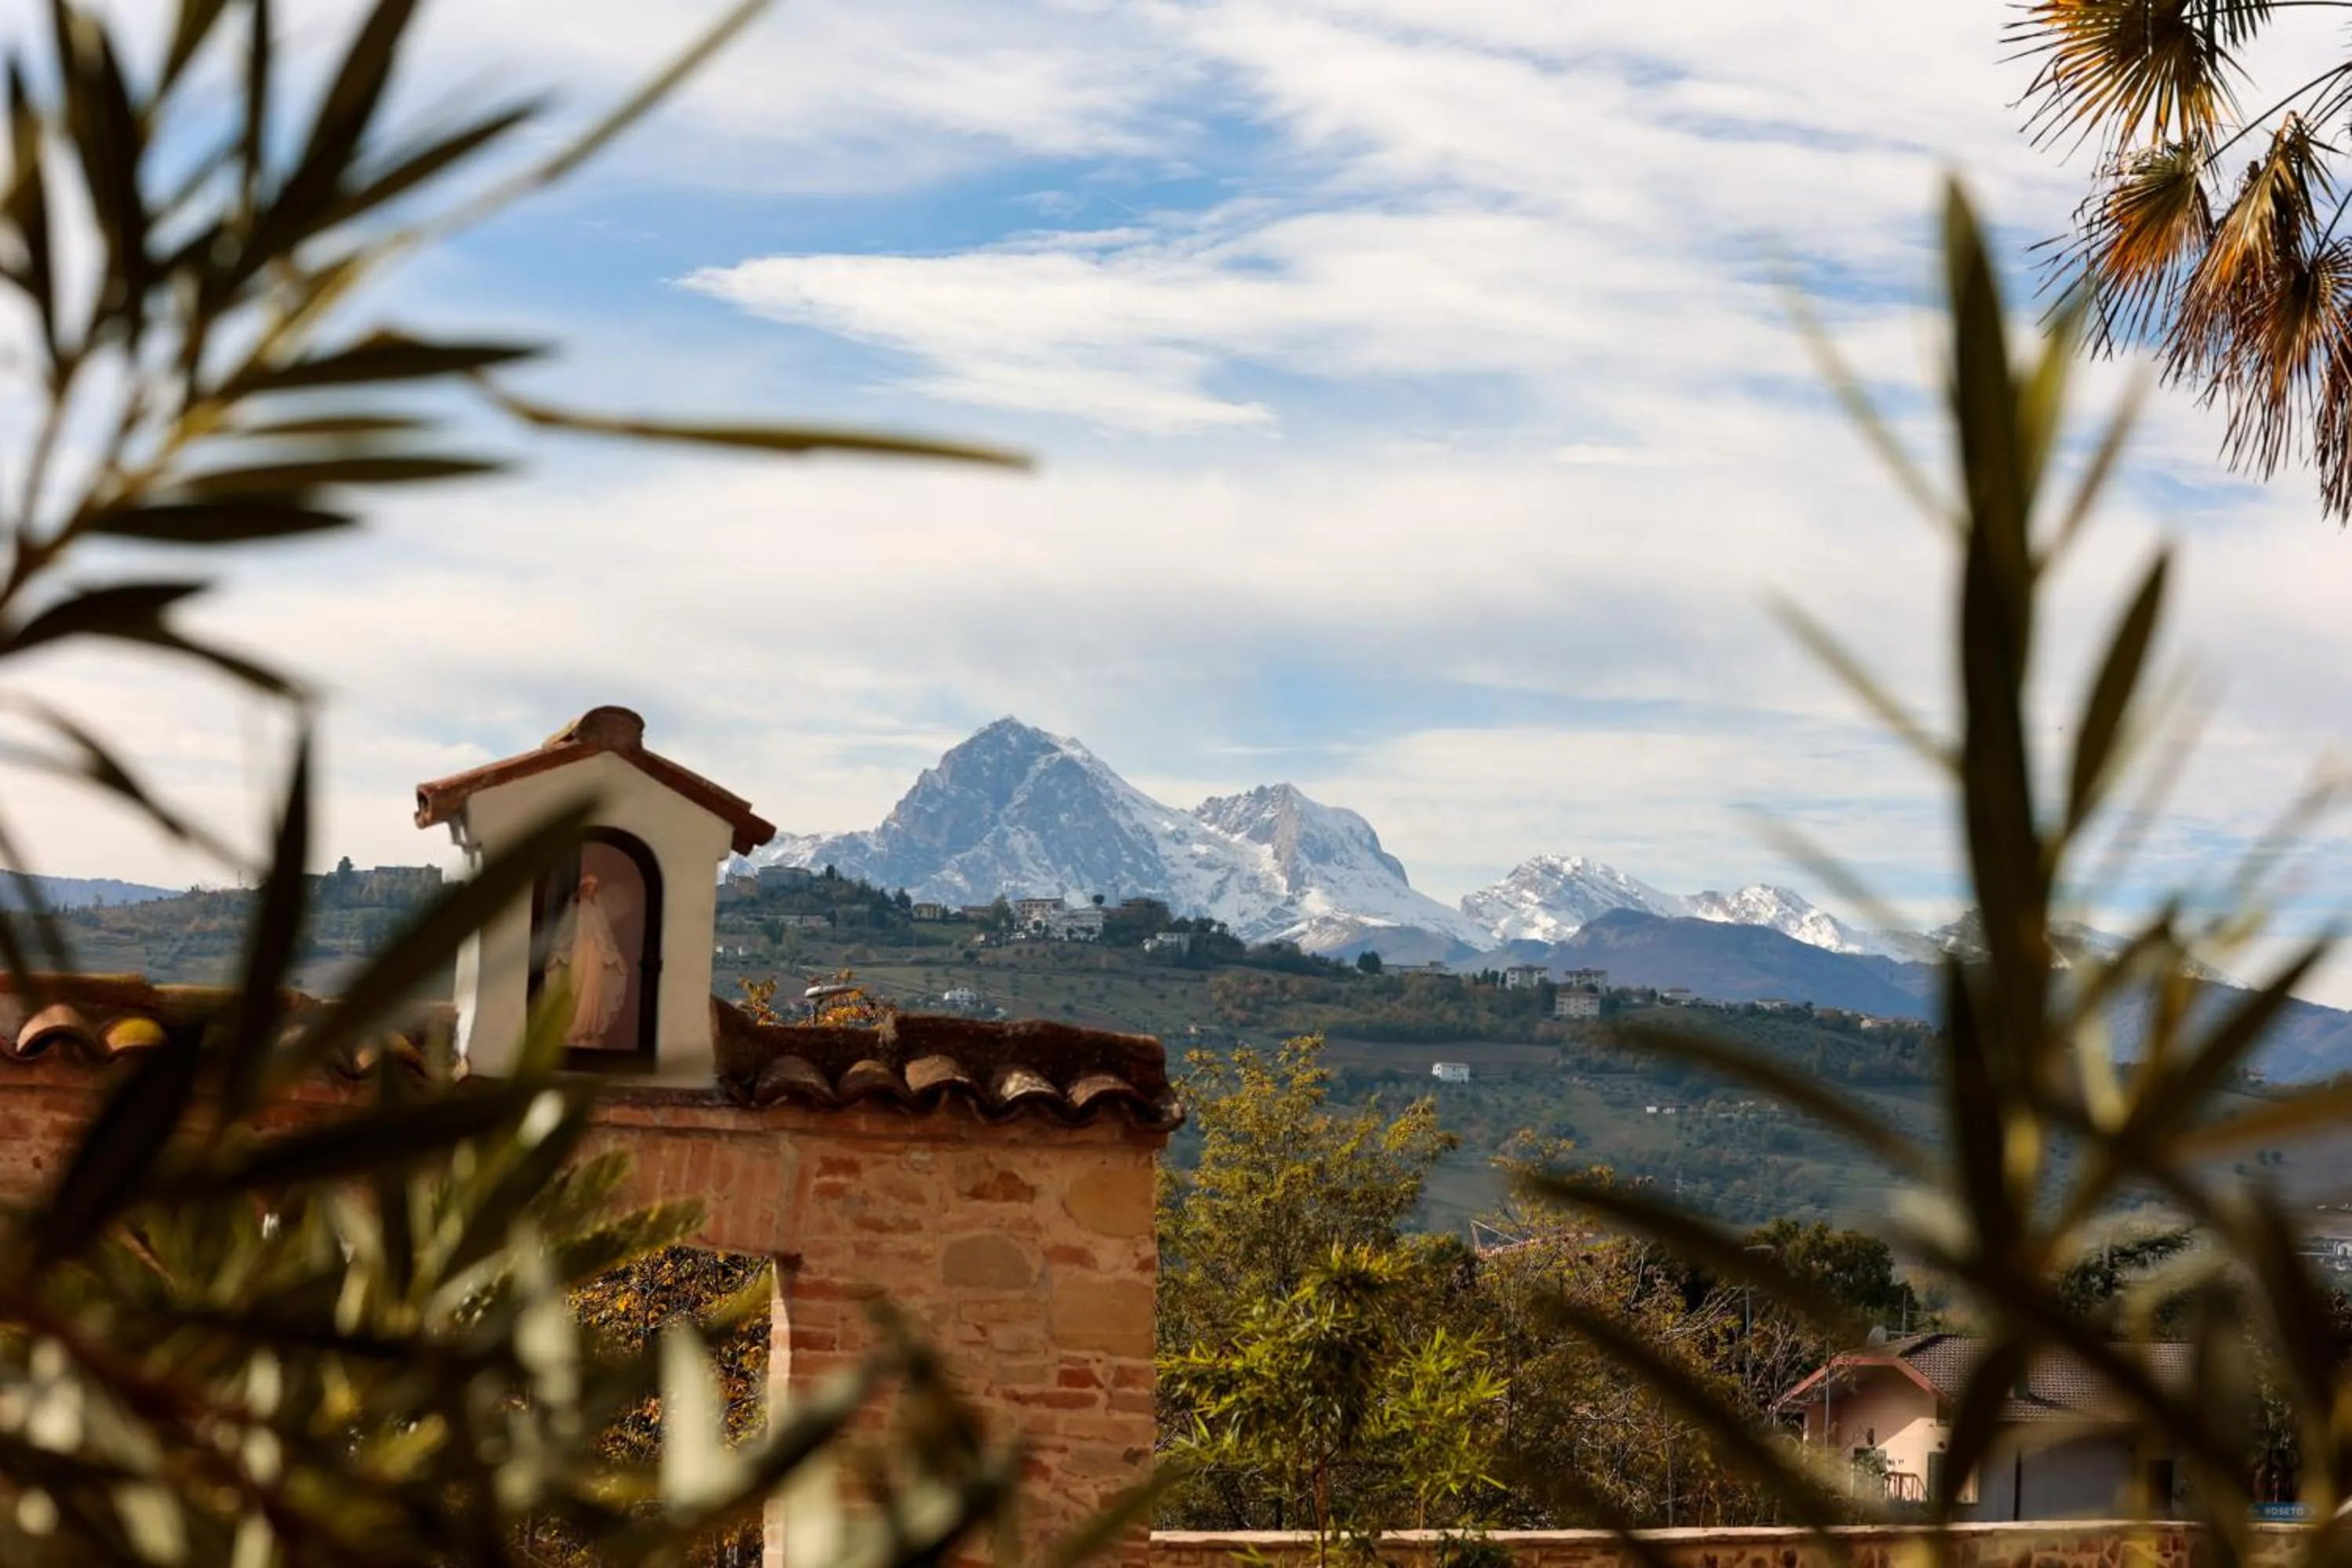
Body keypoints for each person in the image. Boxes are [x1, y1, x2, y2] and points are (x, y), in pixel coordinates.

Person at [548, 870, 629, 1047]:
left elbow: (605, 939)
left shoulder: (597, 914)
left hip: (595, 959)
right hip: (578, 956)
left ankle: (587, 1029)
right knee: (575, 988)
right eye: (587, 889)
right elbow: (565, 936)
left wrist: (614, 958)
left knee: (592, 991)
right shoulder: (575, 913)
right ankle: (574, 1026)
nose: (590, 893)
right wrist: (557, 955)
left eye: (593, 889)